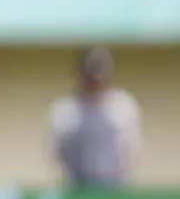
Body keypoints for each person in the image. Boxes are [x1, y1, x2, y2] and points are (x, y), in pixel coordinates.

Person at [49, 46, 142, 188]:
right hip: (76, 189)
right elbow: (56, 153)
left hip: (114, 188)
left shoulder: (123, 106)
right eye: (90, 78)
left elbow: (131, 152)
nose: (95, 84)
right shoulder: (66, 109)